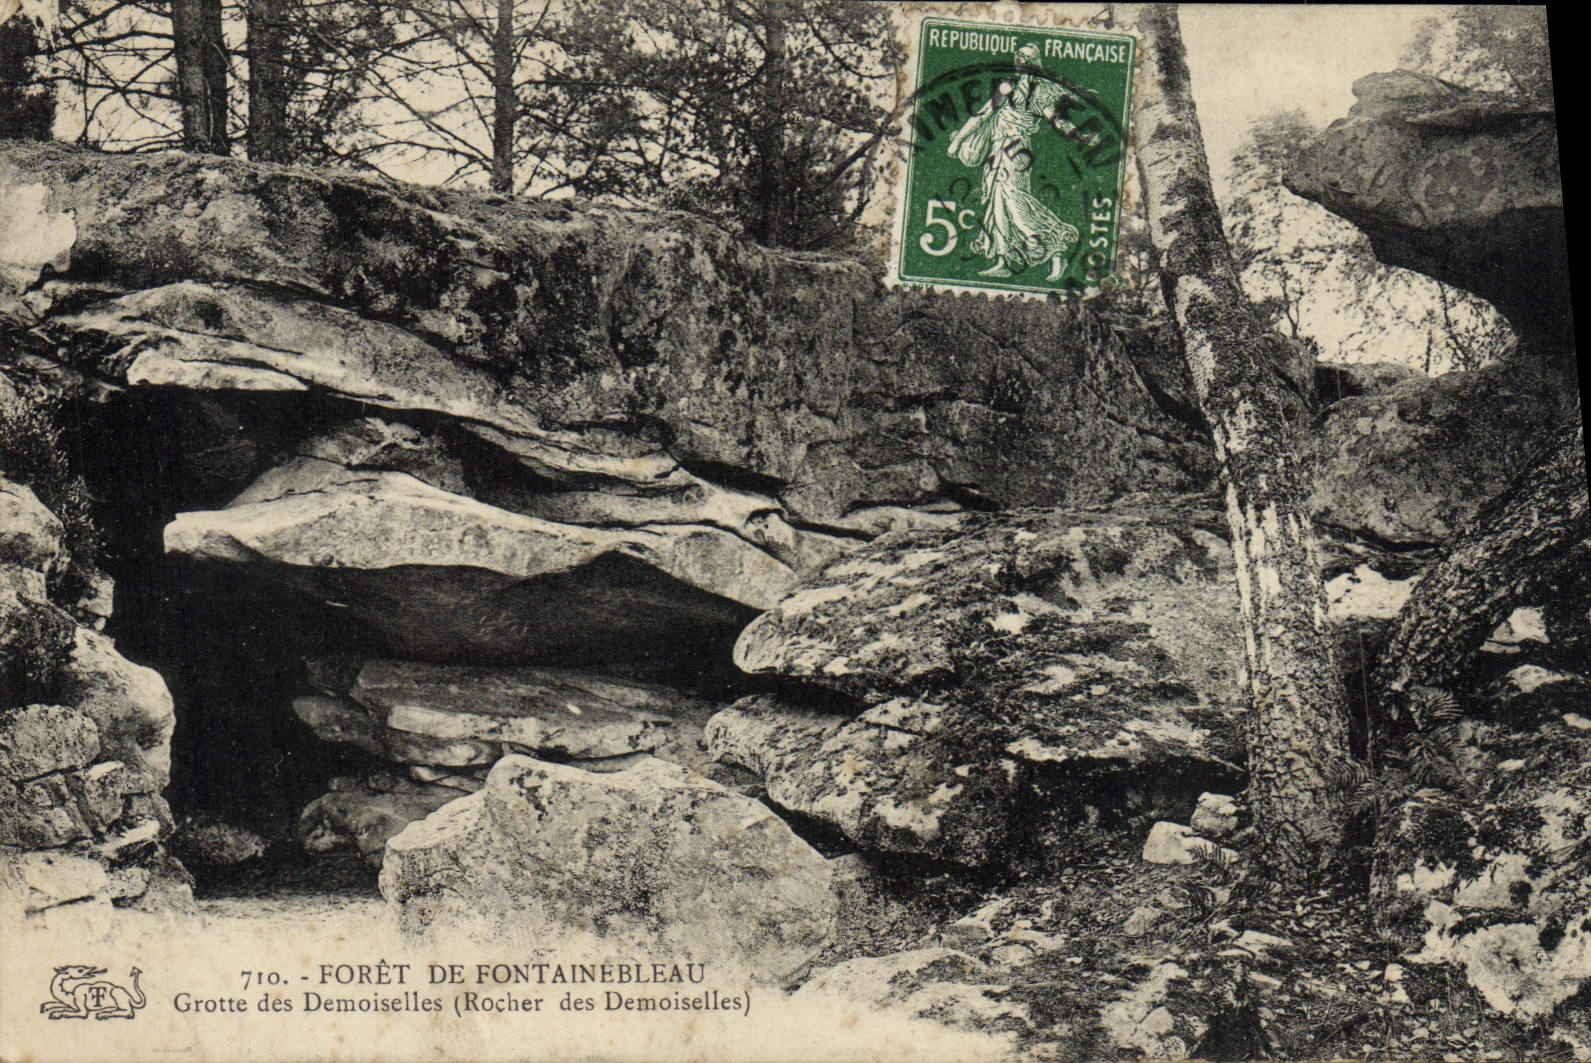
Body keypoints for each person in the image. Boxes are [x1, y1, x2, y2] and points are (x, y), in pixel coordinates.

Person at [948, 43, 1080, 280]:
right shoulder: (1008, 88)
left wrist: (1077, 135)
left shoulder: (1039, 93)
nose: (1020, 66)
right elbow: (982, 115)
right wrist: (958, 140)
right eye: (1019, 61)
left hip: (1017, 150)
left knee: (1013, 201)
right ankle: (1004, 260)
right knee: (997, 205)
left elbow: (1056, 120)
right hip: (998, 150)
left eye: (1024, 62)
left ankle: (1056, 247)